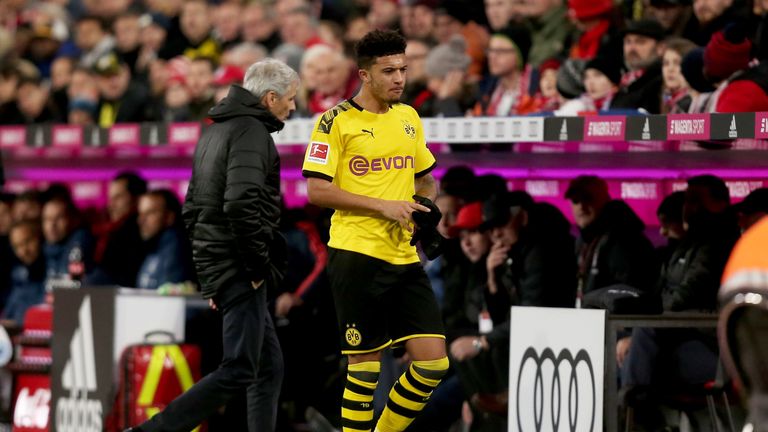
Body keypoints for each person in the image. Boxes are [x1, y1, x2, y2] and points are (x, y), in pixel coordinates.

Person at [126, 58, 299, 432]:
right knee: (239, 367)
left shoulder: (215, 130)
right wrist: (253, 267)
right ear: (270, 98)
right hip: (241, 265)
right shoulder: (252, 132)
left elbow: (193, 208)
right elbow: (239, 204)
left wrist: (211, 274)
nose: (294, 107)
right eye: (290, 98)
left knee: (268, 367)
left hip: (224, 264)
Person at [302, 30, 449, 432]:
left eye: (402, 69)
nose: (399, 78)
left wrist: (425, 205)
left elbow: (425, 178)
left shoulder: (409, 117)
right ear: (365, 75)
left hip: (403, 255)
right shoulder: (334, 122)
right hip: (356, 253)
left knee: (434, 362)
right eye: (389, 71)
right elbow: (316, 189)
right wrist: (383, 205)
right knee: (364, 366)